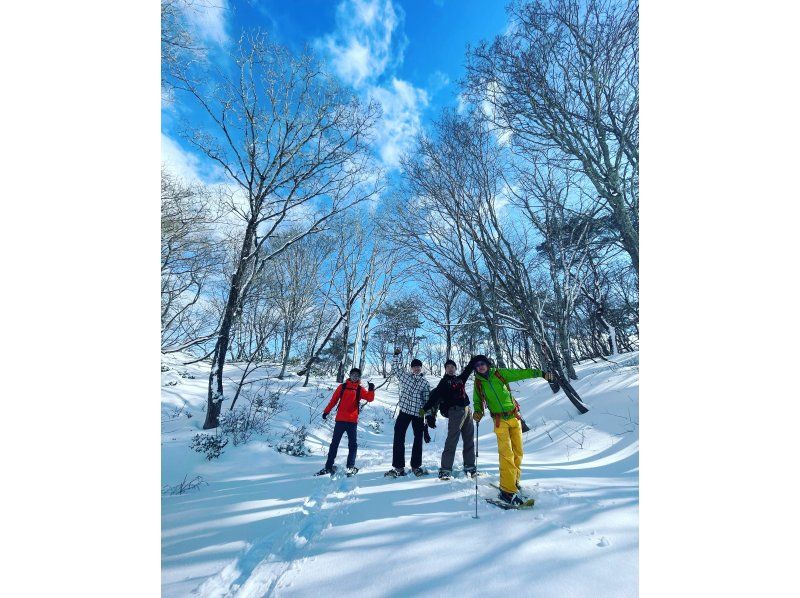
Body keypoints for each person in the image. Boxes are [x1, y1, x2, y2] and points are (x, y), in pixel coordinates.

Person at [470, 355, 555, 505]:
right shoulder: (478, 383)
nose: (480, 367)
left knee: (518, 452)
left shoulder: (500, 373)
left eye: (482, 363)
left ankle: (513, 481)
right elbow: (478, 402)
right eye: (477, 365)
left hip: (514, 418)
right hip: (499, 421)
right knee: (506, 455)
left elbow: (522, 373)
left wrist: (541, 374)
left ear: (487, 364)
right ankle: (507, 491)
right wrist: (478, 412)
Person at [423, 357, 478, 480]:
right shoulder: (443, 383)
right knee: (452, 440)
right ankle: (445, 469)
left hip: (467, 410)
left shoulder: (460, 379)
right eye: (448, 367)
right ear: (445, 370)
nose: (450, 369)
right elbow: (434, 398)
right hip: (455, 412)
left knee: (469, 439)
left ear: (455, 368)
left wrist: (475, 359)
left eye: (452, 367)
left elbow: (468, 369)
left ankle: (470, 466)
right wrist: (426, 410)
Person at [315, 367, 375, 476]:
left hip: (352, 421)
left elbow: (369, 398)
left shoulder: (360, 389)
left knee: (352, 445)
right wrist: (326, 411)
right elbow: (333, 400)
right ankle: (328, 467)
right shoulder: (342, 387)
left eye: (357, 375)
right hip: (340, 421)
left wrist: (371, 389)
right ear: (350, 375)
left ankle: (350, 467)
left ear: (359, 377)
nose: (355, 377)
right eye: (353, 375)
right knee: (334, 444)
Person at [385, 348, 431, 477]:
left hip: (418, 414)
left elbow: (426, 401)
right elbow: (395, 369)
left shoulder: (425, 383)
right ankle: (399, 466)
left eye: (418, 367)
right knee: (399, 436)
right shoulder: (405, 377)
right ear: (411, 368)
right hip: (404, 411)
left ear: (421, 368)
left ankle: (416, 466)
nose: (416, 368)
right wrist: (396, 356)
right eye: (414, 367)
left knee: (418, 439)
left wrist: (427, 417)